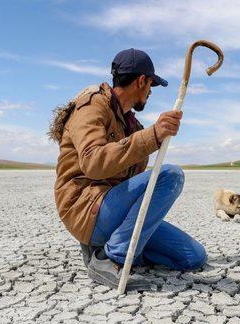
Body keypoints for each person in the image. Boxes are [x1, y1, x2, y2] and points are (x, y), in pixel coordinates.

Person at [49, 48, 207, 290]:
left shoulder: (130, 123)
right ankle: (110, 258)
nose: (151, 92)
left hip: (115, 212)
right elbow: (93, 162)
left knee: (193, 257)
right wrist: (152, 135)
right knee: (170, 175)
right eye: (151, 85)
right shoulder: (91, 106)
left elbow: (132, 179)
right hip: (87, 208)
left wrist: (150, 136)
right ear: (141, 81)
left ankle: (116, 246)